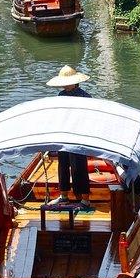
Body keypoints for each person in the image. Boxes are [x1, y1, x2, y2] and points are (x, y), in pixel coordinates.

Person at [45, 65, 92, 211]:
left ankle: (85, 200)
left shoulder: (85, 96)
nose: (65, 85)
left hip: (78, 135)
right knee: (63, 164)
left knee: (79, 166)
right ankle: (64, 194)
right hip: (64, 134)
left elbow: (90, 117)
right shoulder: (61, 95)